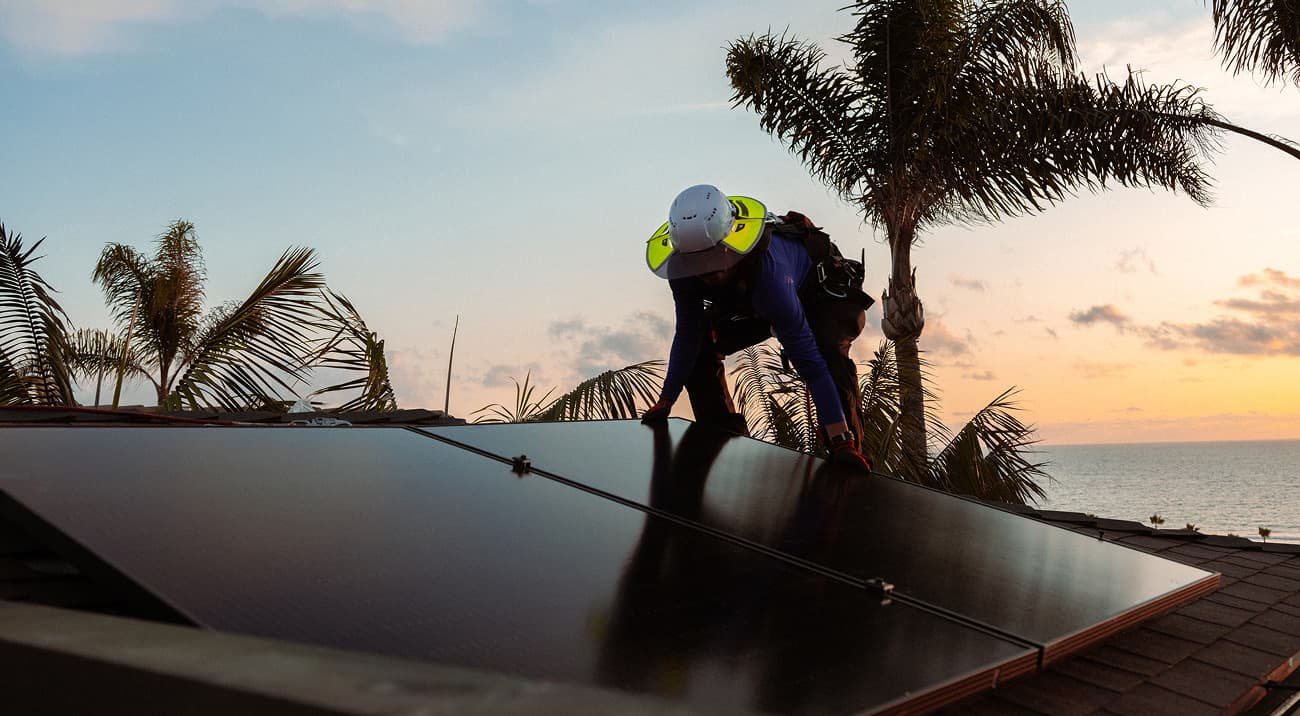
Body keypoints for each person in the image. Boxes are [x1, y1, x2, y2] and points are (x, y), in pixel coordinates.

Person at [640, 183, 875, 473]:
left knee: (826, 352)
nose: (707, 272)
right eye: (697, 265)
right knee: (700, 347)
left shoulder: (770, 279)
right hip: (748, 300)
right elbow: (688, 333)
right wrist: (666, 400)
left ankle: (847, 449)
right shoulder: (685, 271)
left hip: (816, 294)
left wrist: (842, 443)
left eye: (714, 262)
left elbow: (811, 366)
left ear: (730, 245)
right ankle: (723, 436)